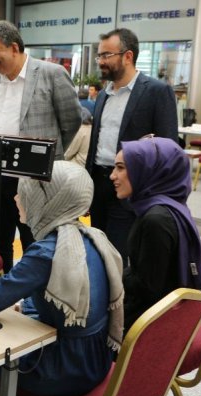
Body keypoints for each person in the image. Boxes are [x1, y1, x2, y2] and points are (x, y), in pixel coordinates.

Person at [0, 161, 123, 396]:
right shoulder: (92, 236)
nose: (17, 197)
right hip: (96, 358)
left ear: (48, 201)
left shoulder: (47, 252)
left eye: (26, 192)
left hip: (65, 369)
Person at [0, 20, 81, 272]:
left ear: (14, 47)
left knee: (34, 243)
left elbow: (72, 121)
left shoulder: (51, 74)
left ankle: (34, 305)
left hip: (32, 181)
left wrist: (46, 157)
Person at [85, 28, 178, 264]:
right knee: (97, 249)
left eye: (106, 55)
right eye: (99, 56)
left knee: (117, 254)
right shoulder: (104, 94)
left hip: (132, 187)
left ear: (128, 56)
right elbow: (97, 140)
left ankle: (119, 300)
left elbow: (168, 148)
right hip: (99, 183)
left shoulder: (156, 91)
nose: (101, 62)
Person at [110, 137, 201, 332]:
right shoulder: (172, 206)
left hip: (149, 327)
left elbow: (147, 288)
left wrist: (107, 276)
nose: (112, 176)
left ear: (147, 171)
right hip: (166, 314)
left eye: (121, 168)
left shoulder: (156, 220)